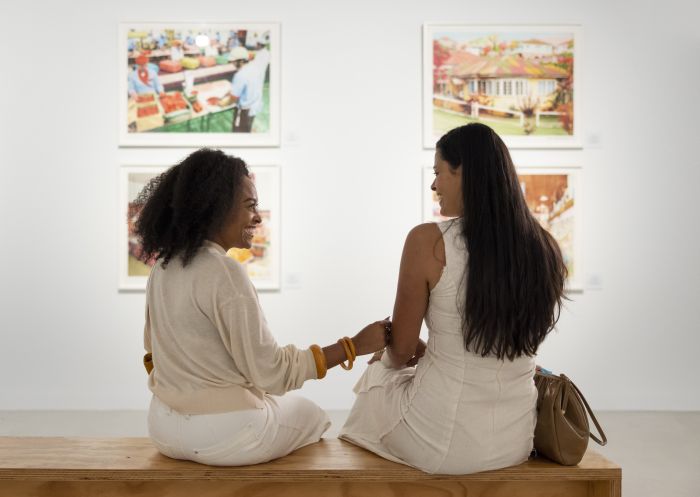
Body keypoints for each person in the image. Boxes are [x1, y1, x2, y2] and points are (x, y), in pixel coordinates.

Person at [135, 149, 388, 466]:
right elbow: (272, 374)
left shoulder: (163, 267)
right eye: (250, 205)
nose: (258, 217)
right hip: (226, 435)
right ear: (216, 207)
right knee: (314, 415)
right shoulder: (224, 272)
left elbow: (152, 355)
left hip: (162, 428)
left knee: (273, 404)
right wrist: (354, 346)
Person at [339, 123, 567, 474]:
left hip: (443, 441)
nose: (433, 185)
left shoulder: (427, 241)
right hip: (516, 439)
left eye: (438, 172)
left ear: (465, 174)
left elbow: (400, 352)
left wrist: (389, 354)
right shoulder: (545, 246)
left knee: (376, 380)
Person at [227, 46, 270, 133]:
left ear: (240, 61)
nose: (233, 64)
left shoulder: (240, 75)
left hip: (244, 111)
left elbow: (233, 99)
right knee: (247, 130)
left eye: (233, 62)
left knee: (239, 133)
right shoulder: (255, 68)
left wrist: (221, 103)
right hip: (254, 107)